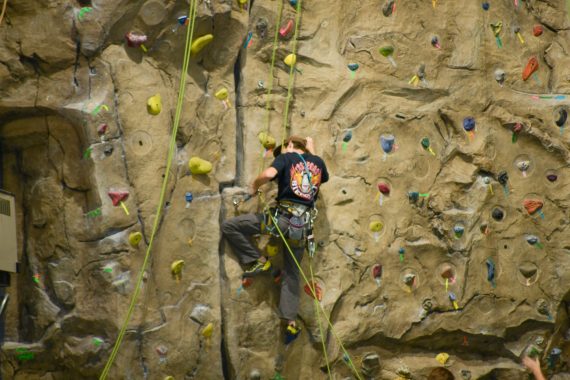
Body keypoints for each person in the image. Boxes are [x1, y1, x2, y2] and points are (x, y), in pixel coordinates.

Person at [222, 135, 329, 342]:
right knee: (292, 273)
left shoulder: (286, 158)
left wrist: (254, 186)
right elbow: (317, 168)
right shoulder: (318, 163)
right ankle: (290, 323)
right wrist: (312, 148)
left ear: (289, 146)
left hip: (280, 222)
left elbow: (269, 173)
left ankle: (258, 260)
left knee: (230, 226)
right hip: (302, 229)